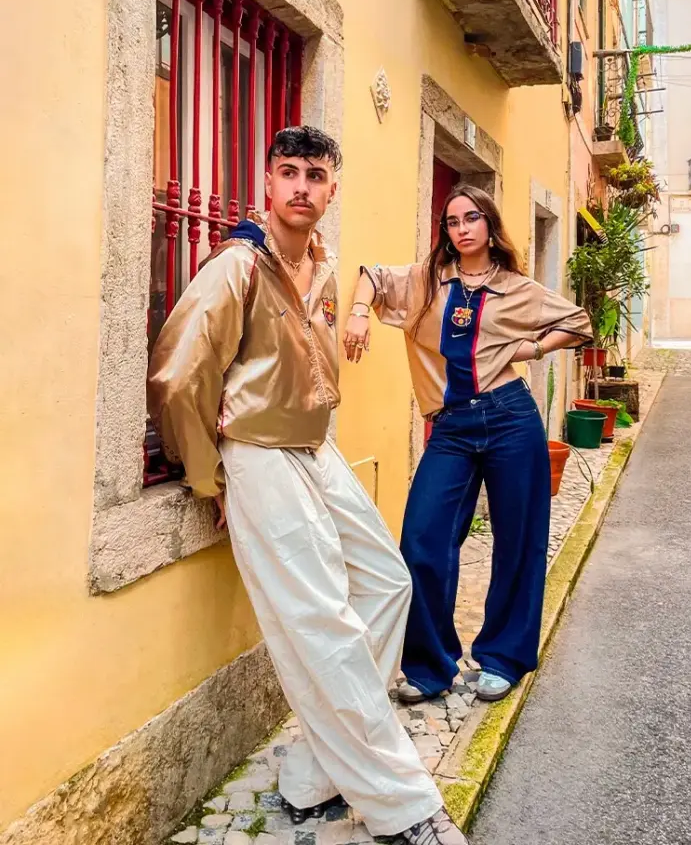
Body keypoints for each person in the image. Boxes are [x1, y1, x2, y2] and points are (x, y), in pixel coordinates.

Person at [148, 126, 470, 845]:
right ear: (267, 181)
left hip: (315, 446)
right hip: (257, 453)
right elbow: (176, 375)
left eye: (315, 175)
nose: (301, 187)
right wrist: (210, 476)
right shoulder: (237, 264)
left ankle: (311, 774)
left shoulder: (322, 263)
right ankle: (403, 808)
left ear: (332, 187)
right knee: (321, 615)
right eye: (288, 172)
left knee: (387, 582)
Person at [344, 184, 592, 705]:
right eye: (452, 221)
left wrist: (533, 348)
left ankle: (503, 658)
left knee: (519, 541)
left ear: (489, 225)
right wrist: (360, 313)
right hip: (451, 428)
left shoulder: (517, 288)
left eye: (471, 218)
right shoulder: (426, 283)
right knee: (422, 539)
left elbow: (577, 323)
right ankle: (432, 666)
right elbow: (370, 276)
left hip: (509, 418)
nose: (461, 228)